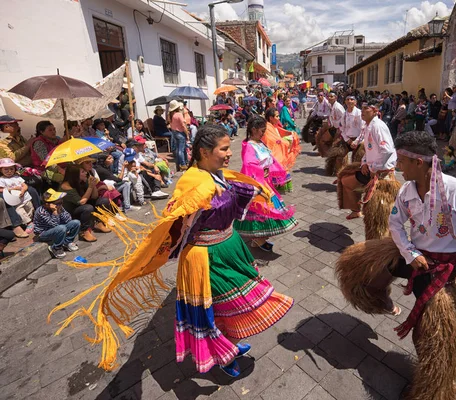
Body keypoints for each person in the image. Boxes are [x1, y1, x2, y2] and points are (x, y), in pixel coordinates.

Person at [49, 124, 294, 378]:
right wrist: (200, 198)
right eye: (223, 149)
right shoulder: (191, 182)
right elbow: (174, 219)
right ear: (204, 151)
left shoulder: (219, 174)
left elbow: (233, 190)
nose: (229, 153)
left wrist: (256, 188)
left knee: (235, 301)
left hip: (230, 247)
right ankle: (221, 354)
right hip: (205, 256)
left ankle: (227, 347)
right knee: (215, 309)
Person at [336, 130, 456, 400]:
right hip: (417, 259)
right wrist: (409, 252)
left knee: (433, 334)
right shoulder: (407, 190)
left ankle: (438, 384)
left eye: (402, 160)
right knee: (368, 269)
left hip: (447, 271)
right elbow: (395, 224)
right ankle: (380, 300)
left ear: (419, 162)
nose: (398, 166)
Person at [234, 117, 297, 251]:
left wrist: (278, 172)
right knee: (262, 211)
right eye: (262, 131)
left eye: (264, 131)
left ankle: (259, 238)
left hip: (265, 182)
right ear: (253, 129)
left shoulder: (259, 143)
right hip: (257, 182)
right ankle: (258, 238)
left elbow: (270, 159)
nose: (264, 134)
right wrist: (259, 178)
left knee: (268, 209)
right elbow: (248, 165)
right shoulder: (250, 146)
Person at [338, 100, 397, 219]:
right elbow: (368, 149)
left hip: (382, 171)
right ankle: (356, 210)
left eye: (366, 109)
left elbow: (387, 150)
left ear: (375, 111)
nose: (363, 111)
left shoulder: (378, 126)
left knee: (378, 211)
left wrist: (374, 168)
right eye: (362, 108)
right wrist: (364, 163)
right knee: (345, 180)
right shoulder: (367, 125)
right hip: (370, 168)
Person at [59, 164, 111, 242]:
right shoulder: (66, 187)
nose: (86, 173)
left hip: (83, 204)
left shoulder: (83, 181)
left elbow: (94, 196)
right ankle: (84, 231)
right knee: (88, 208)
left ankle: (99, 222)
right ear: (75, 175)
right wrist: (90, 187)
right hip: (72, 211)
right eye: (82, 172)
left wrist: (93, 186)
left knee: (104, 201)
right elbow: (81, 202)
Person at [33, 189, 80, 259]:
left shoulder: (59, 207)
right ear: (47, 204)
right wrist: (55, 212)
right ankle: (56, 247)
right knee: (61, 228)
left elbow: (68, 219)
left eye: (61, 202)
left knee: (76, 222)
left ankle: (67, 242)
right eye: (58, 203)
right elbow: (54, 225)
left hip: (58, 229)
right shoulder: (41, 212)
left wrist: (60, 211)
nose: (60, 204)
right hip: (44, 233)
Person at [326, 95, 364, 176]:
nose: (350, 101)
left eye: (352, 99)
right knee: (338, 156)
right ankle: (341, 174)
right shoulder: (344, 114)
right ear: (345, 102)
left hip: (359, 140)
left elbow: (363, 130)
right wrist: (347, 139)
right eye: (347, 99)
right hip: (347, 139)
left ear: (355, 102)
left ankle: (354, 177)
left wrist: (356, 141)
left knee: (356, 159)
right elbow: (342, 128)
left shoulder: (359, 113)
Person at [0, 158, 35, 228]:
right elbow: (1, 189)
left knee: (30, 208)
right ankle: (29, 223)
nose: (9, 171)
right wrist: (13, 189)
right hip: (16, 201)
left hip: (25, 198)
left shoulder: (17, 177)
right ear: (1, 170)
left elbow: (25, 185)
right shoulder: (2, 179)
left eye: (11, 169)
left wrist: (23, 190)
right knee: (20, 211)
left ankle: (28, 222)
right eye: (6, 169)